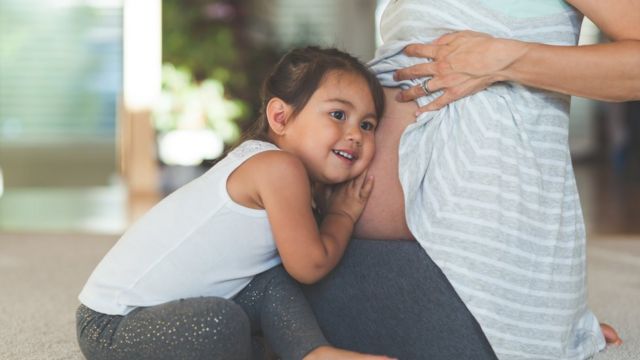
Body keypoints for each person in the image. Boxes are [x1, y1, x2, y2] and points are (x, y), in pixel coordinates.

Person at [306, 1, 635, 359]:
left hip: (461, 278)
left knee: (265, 284)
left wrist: (503, 59)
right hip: (378, 248)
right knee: (259, 251)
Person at [75, 47, 393, 360]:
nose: (355, 135)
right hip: (112, 325)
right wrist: (342, 214)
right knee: (221, 323)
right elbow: (310, 265)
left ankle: (313, 353)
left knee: (268, 284)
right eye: (338, 115)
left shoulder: (277, 169)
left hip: (168, 313)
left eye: (367, 125)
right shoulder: (279, 168)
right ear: (280, 117)